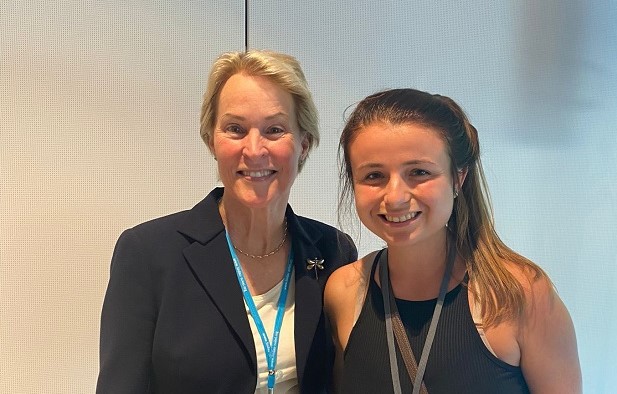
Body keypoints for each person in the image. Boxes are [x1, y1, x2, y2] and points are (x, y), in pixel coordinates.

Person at [97, 50, 357, 394]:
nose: (254, 149)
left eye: (275, 129)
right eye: (235, 129)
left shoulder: (333, 251)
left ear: (304, 144)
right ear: (212, 141)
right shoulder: (148, 254)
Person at [325, 88, 581, 393]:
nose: (394, 197)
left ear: (458, 177)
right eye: (374, 176)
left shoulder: (519, 295)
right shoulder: (343, 292)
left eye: (419, 172)